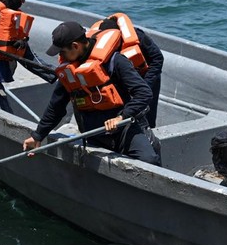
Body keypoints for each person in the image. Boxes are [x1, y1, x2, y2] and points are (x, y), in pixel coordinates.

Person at [22, 20, 161, 166]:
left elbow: (144, 93)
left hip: (123, 129)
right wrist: (37, 136)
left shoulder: (115, 61)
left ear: (75, 46)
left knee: (150, 160)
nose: (61, 57)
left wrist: (122, 117)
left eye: (62, 51)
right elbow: (56, 106)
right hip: (93, 133)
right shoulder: (69, 70)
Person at [90, 13, 163, 128]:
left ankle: (148, 130)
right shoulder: (99, 43)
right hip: (123, 78)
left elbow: (157, 59)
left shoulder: (139, 37)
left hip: (146, 76)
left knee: (147, 107)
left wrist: (146, 84)